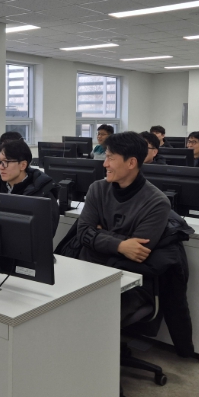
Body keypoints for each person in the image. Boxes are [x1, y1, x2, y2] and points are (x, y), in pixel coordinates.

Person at [76, 131, 171, 322]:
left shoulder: (157, 202)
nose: (105, 164)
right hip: (89, 270)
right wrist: (121, 245)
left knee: (89, 318)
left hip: (130, 280)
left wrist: (100, 235)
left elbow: (137, 252)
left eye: (111, 158)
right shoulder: (97, 189)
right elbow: (83, 233)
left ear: (131, 162)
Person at [0, 139, 59, 234]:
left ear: (23, 165)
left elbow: (45, 234)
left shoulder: (42, 192)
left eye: (6, 162)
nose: (1, 167)